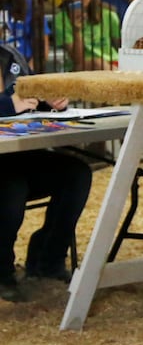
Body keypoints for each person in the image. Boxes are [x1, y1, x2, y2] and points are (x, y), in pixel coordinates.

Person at [0, 35, 92, 301]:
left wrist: (48, 101)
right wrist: (7, 106)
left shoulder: (10, 56)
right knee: (11, 188)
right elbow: (13, 105)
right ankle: (2, 273)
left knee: (76, 174)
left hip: (20, 154)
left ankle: (47, 260)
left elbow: (31, 97)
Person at [53, 0, 120, 70]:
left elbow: (122, 47)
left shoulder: (108, 14)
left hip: (112, 62)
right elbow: (77, 60)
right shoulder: (61, 19)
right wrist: (76, 30)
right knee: (97, 63)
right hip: (81, 67)